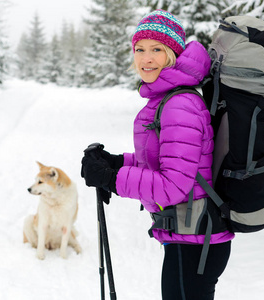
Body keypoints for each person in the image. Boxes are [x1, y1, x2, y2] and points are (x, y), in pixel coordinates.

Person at [81, 10, 235, 300]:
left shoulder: (180, 105)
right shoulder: (168, 98)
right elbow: (163, 161)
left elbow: (173, 187)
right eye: (140, 49)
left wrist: (113, 179)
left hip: (195, 243)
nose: (145, 58)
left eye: (156, 49)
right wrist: (115, 163)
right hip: (192, 238)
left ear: (172, 54)